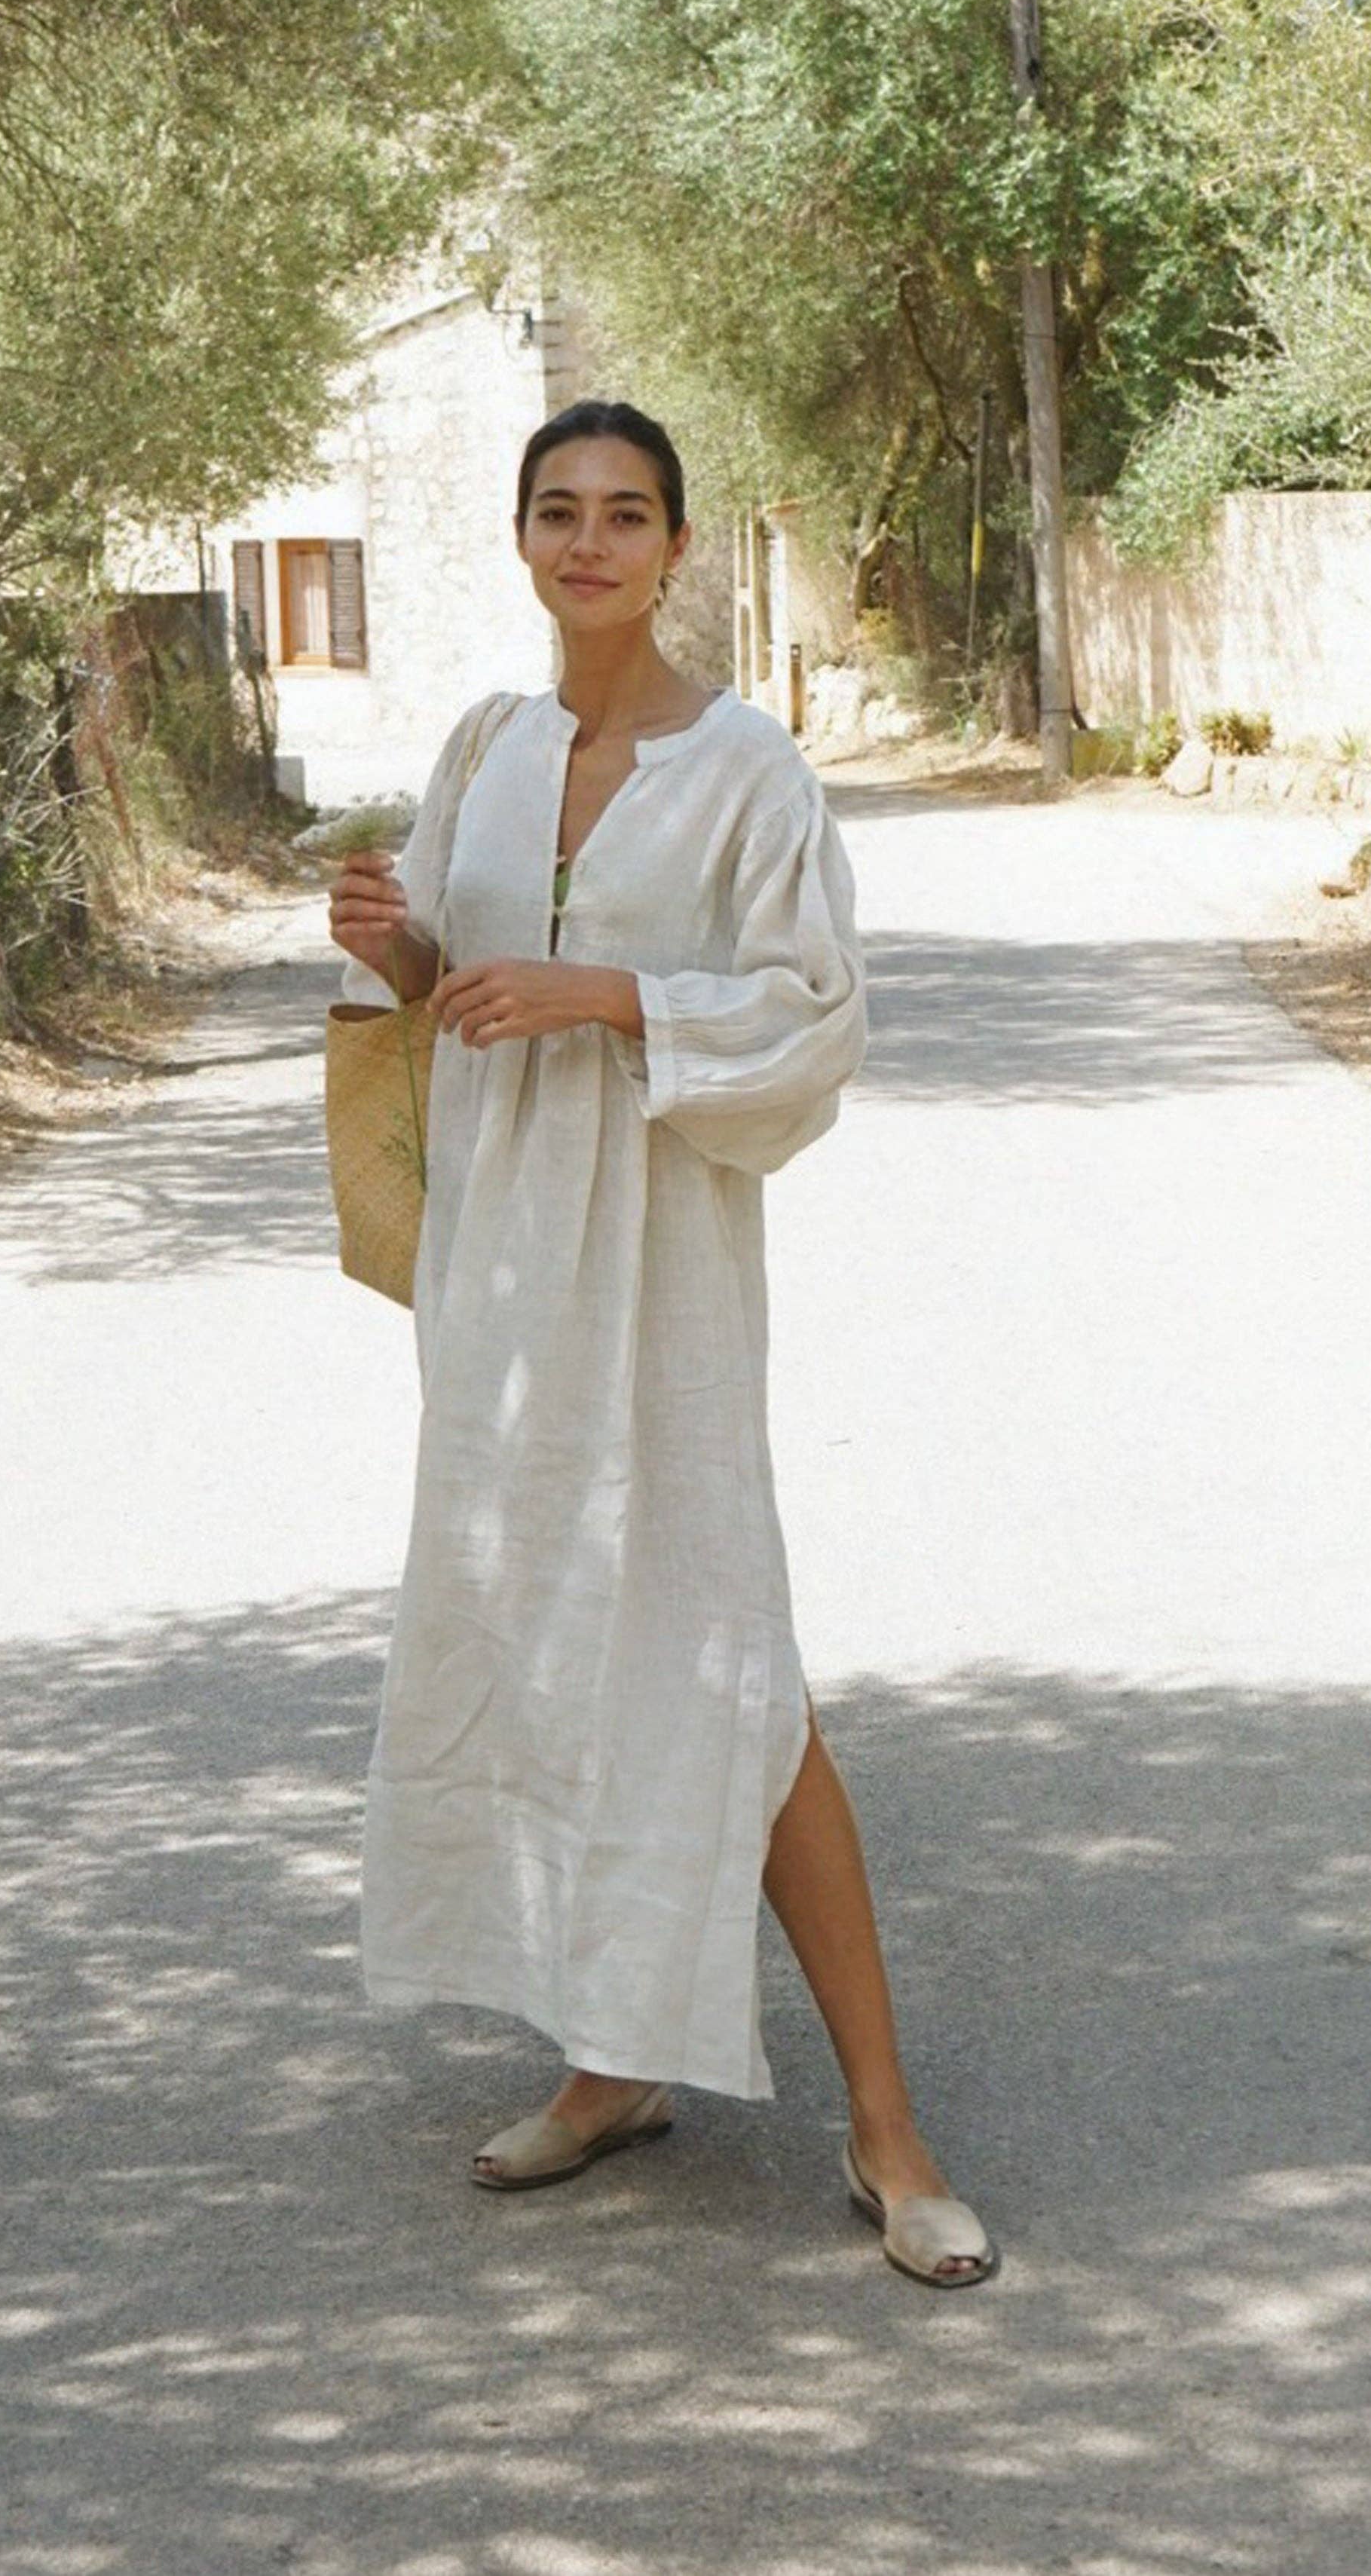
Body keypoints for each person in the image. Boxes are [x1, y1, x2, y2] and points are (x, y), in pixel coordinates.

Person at [328, 398, 996, 2287]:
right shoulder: (487, 745)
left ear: (676, 547)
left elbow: (812, 1017)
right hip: (503, 1280)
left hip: (663, 1271)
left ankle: (886, 2128)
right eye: (558, 511)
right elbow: (456, 994)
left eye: (626, 515)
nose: (590, 543)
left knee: (732, 1669)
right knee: (555, 1645)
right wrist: (394, 948)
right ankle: (612, 2066)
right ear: (521, 539)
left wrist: (608, 993)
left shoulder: (746, 770)